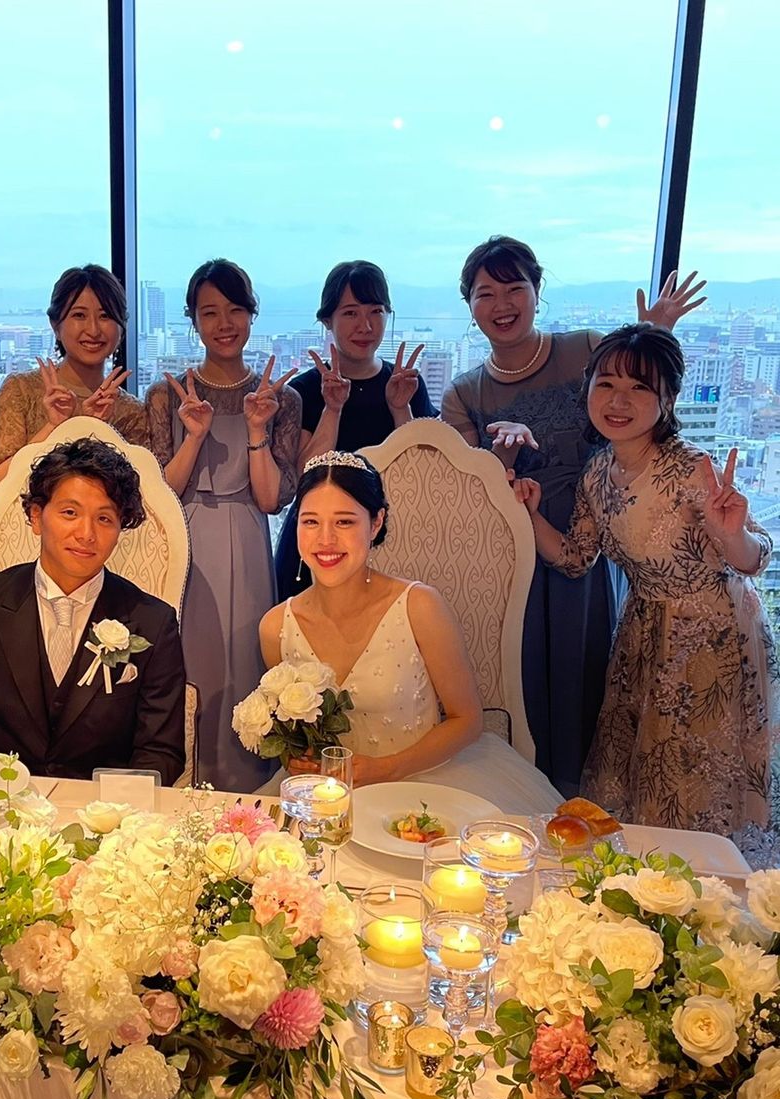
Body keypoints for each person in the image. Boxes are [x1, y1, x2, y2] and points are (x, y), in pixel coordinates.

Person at [441, 236, 706, 796]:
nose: (502, 304)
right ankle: (519, 799)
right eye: (486, 293)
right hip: (513, 548)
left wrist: (656, 331)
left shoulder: (584, 348)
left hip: (588, 540)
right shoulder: (464, 392)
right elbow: (471, 490)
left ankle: (577, 799)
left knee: (582, 668)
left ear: (537, 292)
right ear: (470, 306)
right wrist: (503, 457)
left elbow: (633, 399)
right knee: (518, 674)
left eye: (515, 288)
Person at [514, 323, 777, 835]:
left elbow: (754, 558)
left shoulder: (692, 469)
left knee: (690, 783)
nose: (619, 400)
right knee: (638, 779)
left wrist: (734, 533)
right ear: (588, 389)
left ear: (667, 399)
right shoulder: (598, 472)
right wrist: (529, 513)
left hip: (712, 638)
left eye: (639, 387)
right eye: (607, 384)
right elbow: (575, 558)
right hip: (641, 633)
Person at [0, 436, 186, 782]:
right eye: (70, 513)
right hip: (1, 801)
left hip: (106, 810)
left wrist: (107, 809)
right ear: (36, 516)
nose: (86, 534)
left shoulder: (152, 622)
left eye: (105, 518)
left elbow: (160, 751)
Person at [146, 258, 302, 792]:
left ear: (252, 314)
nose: (224, 323)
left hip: (248, 536)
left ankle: (247, 786)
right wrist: (193, 436)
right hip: (184, 540)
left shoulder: (281, 399)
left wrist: (258, 428)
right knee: (188, 661)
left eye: (235, 309)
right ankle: (185, 779)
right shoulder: (167, 395)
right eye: (209, 312)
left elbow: (271, 499)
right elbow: (162, 491)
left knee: (245, 659)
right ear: (193, 319)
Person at [260, 451, 483, 788]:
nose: (325, 540)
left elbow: (467, 720)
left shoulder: (419, 606)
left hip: (417, 785)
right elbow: (298, 733)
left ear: (375, 523)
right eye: (311, 522)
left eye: (344, 522)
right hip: (323, 795)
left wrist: (387, 769)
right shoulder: (275, 627)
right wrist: (297, 756)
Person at [275, 260, 437, 599]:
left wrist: (400, 408)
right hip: (318, 545)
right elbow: (303, 478)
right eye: (350, 313)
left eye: (376, 311)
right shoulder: (304, 390)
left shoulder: (406, 384)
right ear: (327, 320)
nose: (365, 325)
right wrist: (332, 408)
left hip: (392, 541)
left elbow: (423, 477)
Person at [0, 264, 148, 490]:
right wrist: (53, 426)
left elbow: (140, 493)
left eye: (105, 316)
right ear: (56, 325)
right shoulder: (21, 390)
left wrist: (93, 429)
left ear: (122, 328)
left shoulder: (131, 411)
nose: (93, 330)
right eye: (79, 315)